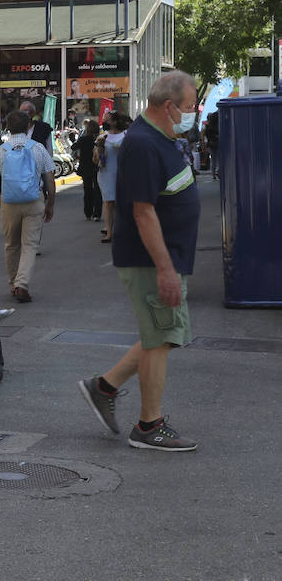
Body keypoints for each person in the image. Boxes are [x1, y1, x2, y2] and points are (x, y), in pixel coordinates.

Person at [77, 72, 201, 452]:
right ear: (169, 107)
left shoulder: (162, 138)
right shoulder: (144, 144)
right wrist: (164, 269)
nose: (194, 112)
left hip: (165, 257)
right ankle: (149, 426)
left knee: (160, 335)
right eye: (191, 106)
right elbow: (143, 213)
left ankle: (104, 388)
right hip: (151, 260)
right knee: (162, 336)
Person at [0, 108, 56, 303]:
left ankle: (13, 283)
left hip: (9, 203)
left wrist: (1, 195)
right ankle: (22, 284)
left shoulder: (1, 151)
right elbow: (50, 177)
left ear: (7, 127)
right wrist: (50, 202)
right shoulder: (38, 148)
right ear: (28, 126)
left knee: (11, 245)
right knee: (30, 245)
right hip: (34, 201)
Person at [96, 114, 129, 244]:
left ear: (115, 121)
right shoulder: (103, 136)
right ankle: (109, 232)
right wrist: (100, 147)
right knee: (108, 202)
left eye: (108, 119)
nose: (105, 121)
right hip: (106, 173)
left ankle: (121, 230)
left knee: (121, 203)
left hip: (122, 172)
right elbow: (97, 158)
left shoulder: (126, 135)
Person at [72, 119, 102, 221]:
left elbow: (73, 147)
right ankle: (97, 213)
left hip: (85, 167)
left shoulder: (84, 139)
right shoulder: (99, 140)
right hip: (97, 166)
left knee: (87, 189)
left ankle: (88, 212)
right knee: (97, 190)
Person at [202, 112, 220, 179]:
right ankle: (218, 171)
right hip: (218, 143)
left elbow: (204, 135)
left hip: (211, 144)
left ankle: (213, 174)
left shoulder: (207, 126)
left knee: (213, 159)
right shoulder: (217, 126)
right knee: (218, 158)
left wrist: (203, 145)